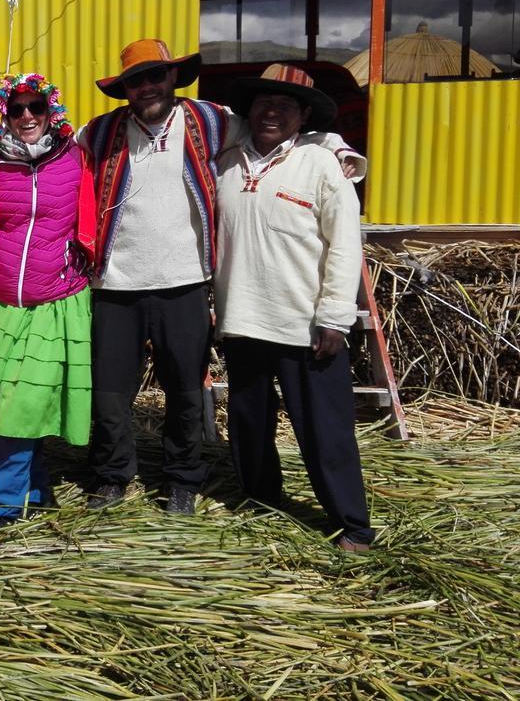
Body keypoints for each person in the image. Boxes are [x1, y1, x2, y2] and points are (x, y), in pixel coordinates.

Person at [79, 40, 365, 514]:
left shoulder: (209, 121)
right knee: (110, 395)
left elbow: (289, 133)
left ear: (174, 78)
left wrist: (336, 145)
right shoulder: (101, 131)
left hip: (185, 284)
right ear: (125, 88)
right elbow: (53, 152)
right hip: (115, 286)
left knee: (186, 392)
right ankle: (112, 476)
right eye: (137, 79)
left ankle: (182, 482)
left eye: (156, 75)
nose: (147, 86)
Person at [215, 63, 374, 551]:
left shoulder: (322, 164)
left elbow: (345, 246)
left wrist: (334, 318)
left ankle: (352, 524)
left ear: (304, 116)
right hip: (241, 318)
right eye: (264, 101)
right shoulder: (225, 160)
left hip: (305, 325)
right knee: (249, 423)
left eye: (285, 105)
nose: (272, 111)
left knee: (325, 432)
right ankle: (262, 499)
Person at [0, 74, 96, 527]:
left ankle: (2, 503)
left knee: (23, 402)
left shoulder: (75, 158)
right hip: (0, 300)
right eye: (16, 109)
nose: (27, 117)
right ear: (5, 115)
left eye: (35, 107)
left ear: (51, 111)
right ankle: (36, 489)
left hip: (54, 298)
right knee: (16, 400)